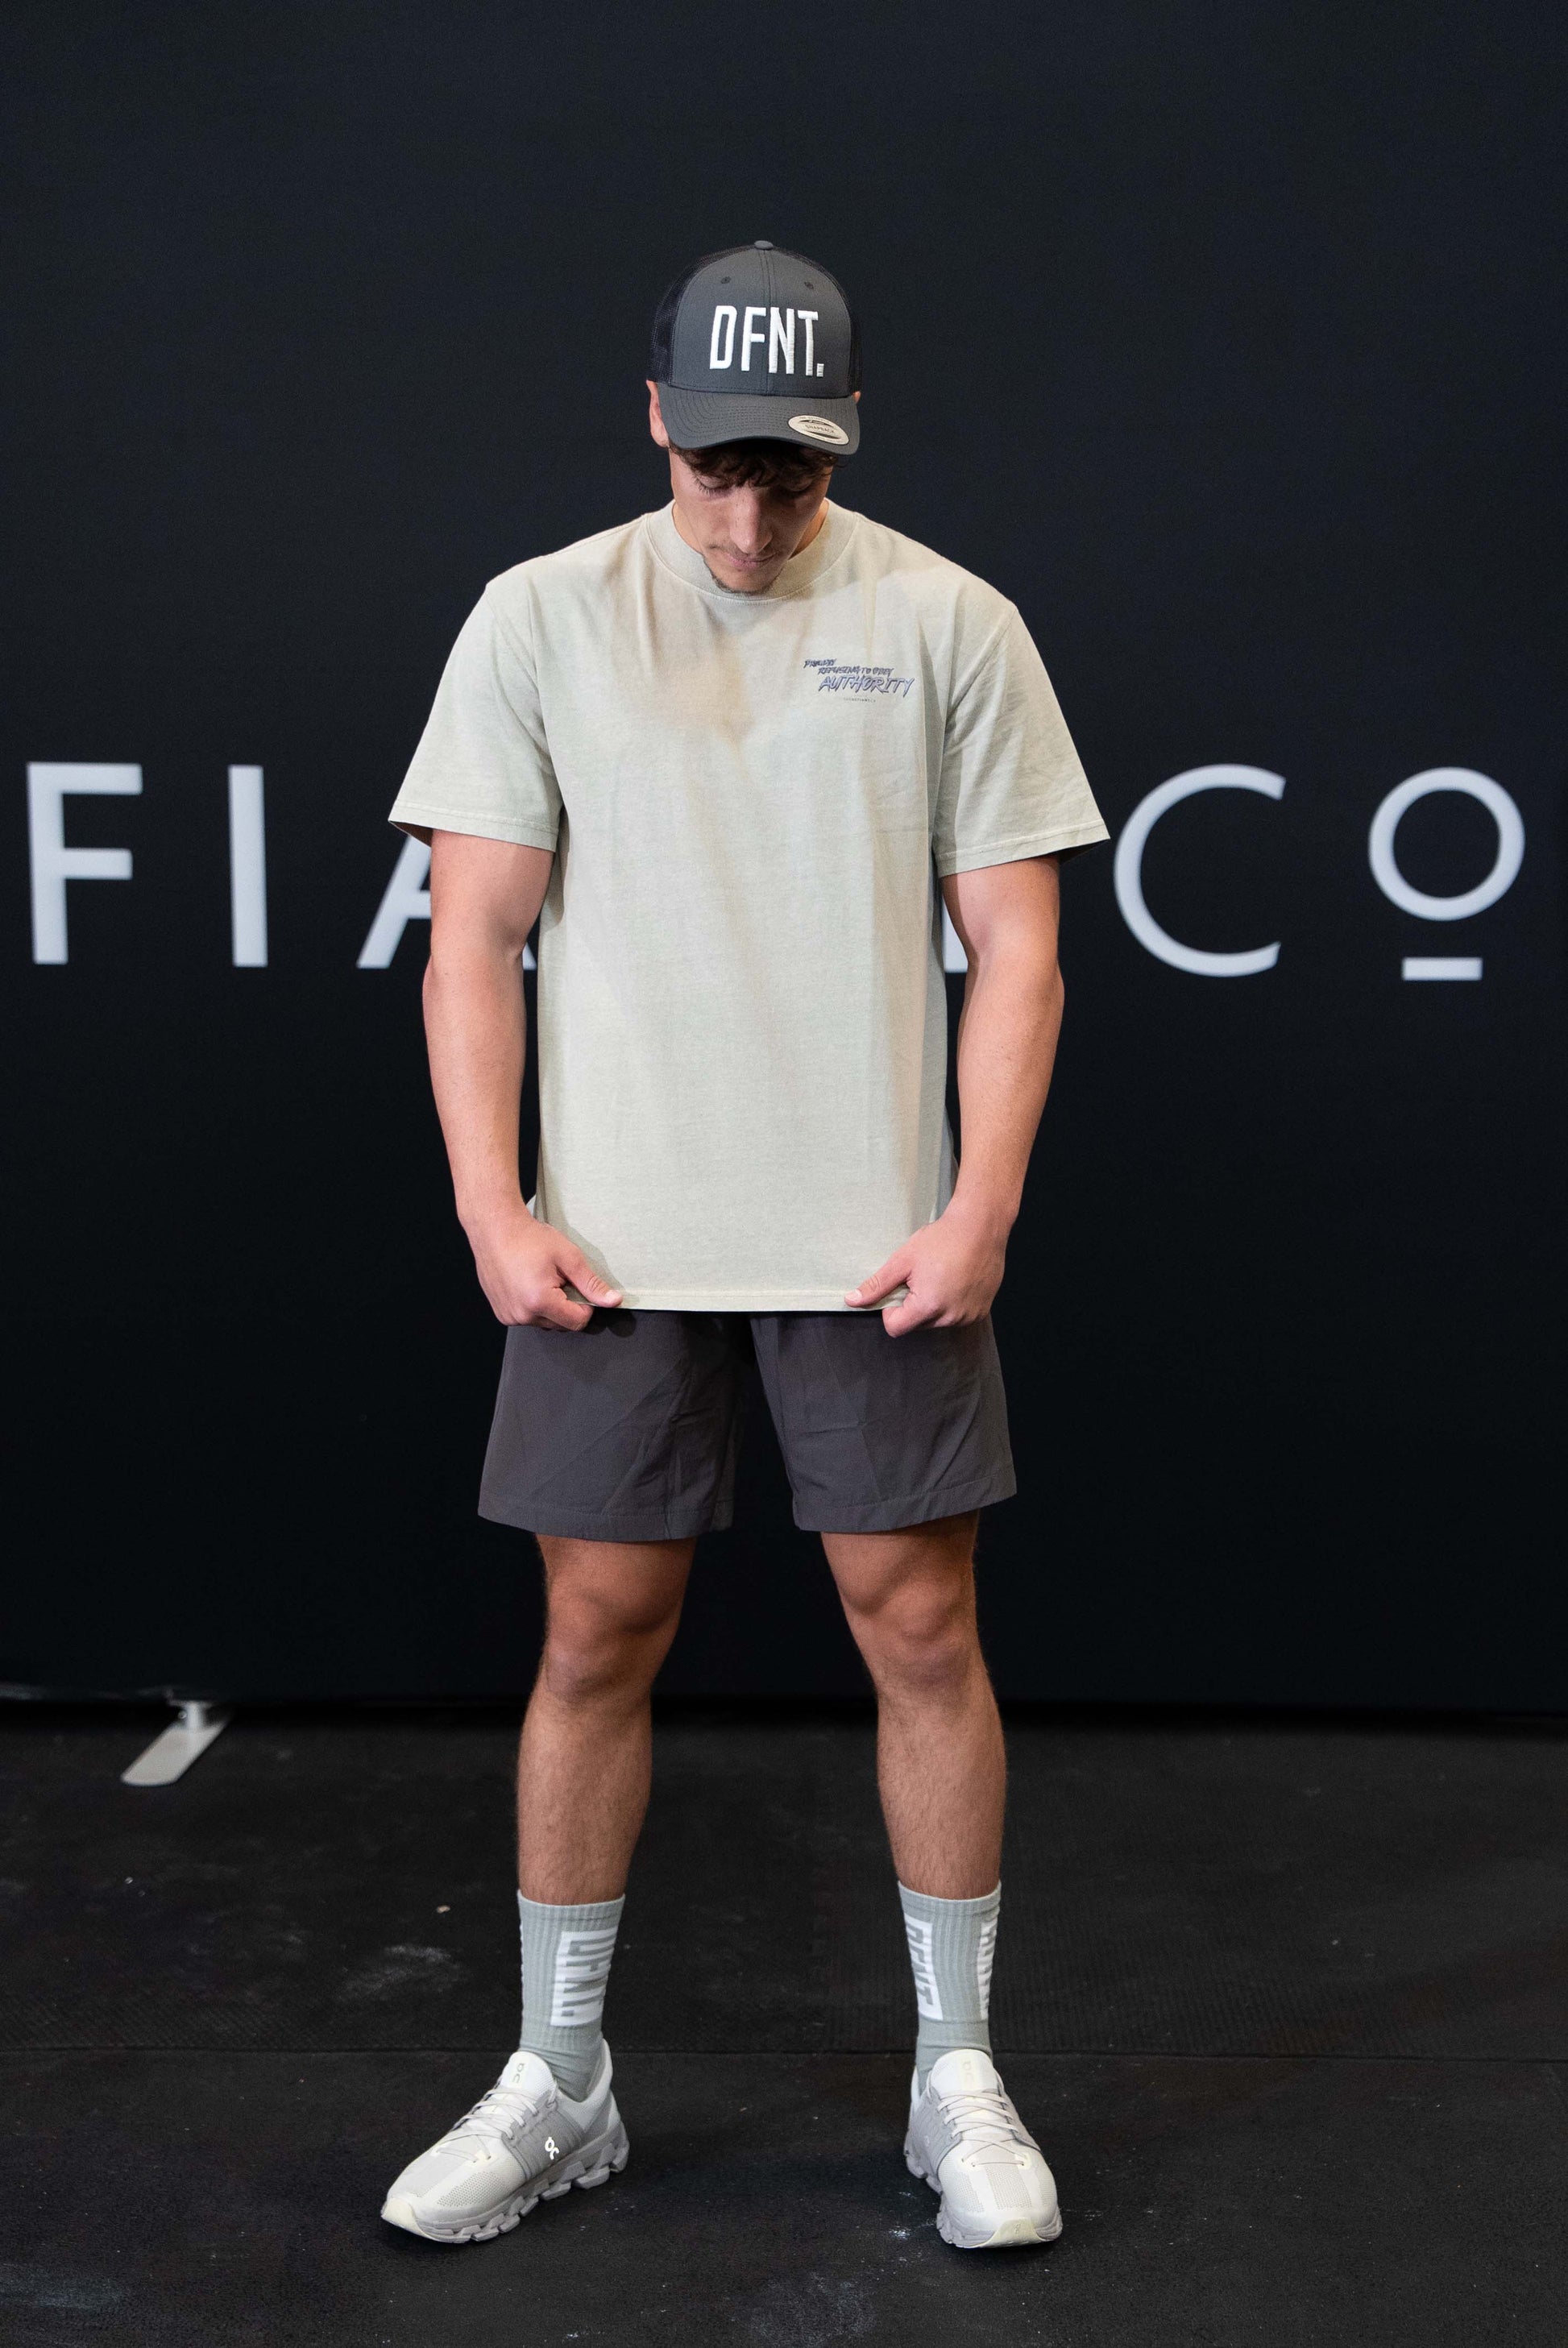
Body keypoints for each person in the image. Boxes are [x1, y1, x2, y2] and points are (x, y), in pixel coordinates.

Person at [379, 241, 1107, 2254]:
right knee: (593, 1635)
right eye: (714, 464)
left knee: (922, 1631)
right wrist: (490, 1205)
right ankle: (563, 2078)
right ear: (653, 423)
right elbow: (473, 937)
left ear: (842, 443)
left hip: (872, 1235)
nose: (746, 509)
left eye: (786, 471)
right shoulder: (541, 616)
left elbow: (1021, 947)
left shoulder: (950, 620)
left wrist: (979, 1206)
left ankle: (955, 2070)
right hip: (615, 1240)